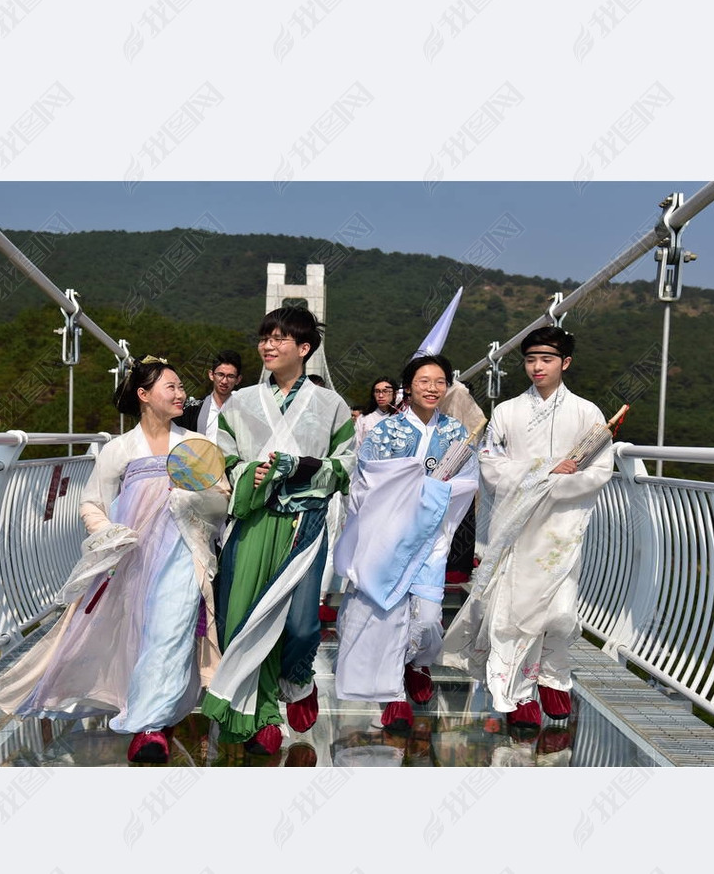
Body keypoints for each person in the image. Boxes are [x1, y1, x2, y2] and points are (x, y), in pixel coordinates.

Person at [0, 357, 227, 763]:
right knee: (136, 635)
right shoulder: (119, 450)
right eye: (171, 387)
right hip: (132, 558)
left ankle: (149, 729)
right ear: (144, 394)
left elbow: (221, 496)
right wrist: (109, 533)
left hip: (182, 553)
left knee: (169, 635)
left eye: (181, 387)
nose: (181, 394)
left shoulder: (195, 446)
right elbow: (92, 502)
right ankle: (150, 713)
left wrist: (191, 496)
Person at [200, 306, 356, 753]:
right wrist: (258, 472)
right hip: (253, 520)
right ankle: (263, 716)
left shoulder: (331, 405)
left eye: (279, 338)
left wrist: (302, 466)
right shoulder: (242, 401)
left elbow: (347, 464)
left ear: (304, 348)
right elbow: (224, 462)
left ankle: (299, 678)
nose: (268, 345)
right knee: (246, 618)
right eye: (264, 337)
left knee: (304, 625)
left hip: (304, 524)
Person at [441, 326, 614, 727]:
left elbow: (600, 468)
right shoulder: (507, 412)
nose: (537, 367)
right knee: (514, 608)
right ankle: (517, 693)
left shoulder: (587, 413)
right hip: (516, 524)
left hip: (561, 524)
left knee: (560, 609)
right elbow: (490, 464)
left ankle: (553, 675)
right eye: (531, 359)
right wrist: (546, 472)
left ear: (565, 363)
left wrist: (552, 486)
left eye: (547, 359)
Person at [334, 354, 478, 733]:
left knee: (429, 620)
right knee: (389, 616)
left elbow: (469, 481)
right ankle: (393, 695)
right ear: (408, 387)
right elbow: (365, 483)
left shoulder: (456, 434)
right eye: (424, 381)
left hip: (430, 540)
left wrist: (429, 491)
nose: (432, 388)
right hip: (389, 537)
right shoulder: (384, 431)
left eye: (440, 381)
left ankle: (416, 663)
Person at [182, 350, 242, 439]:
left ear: (238, 379)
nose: (224, 381)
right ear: (211, 375)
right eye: (220, 374)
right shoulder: (193, 409)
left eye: (230, 376)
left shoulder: (243, 411)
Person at [354, 375, 399, 444]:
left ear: (395, 394)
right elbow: (356, 444)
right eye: (377, 391)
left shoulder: (401, 418)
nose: (380, 395)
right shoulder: (364, 418)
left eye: (385, 391)